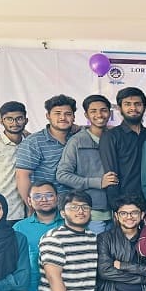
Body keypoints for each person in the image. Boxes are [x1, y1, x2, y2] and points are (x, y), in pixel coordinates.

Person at [57, 95, 113, 233]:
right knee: (95, 246)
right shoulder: (77, 141)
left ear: (109, 113)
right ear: (86, 115)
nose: (99, 115)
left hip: (116, 209)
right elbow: (62, 175)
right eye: (93, 111)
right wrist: (97, 182)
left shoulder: (116, 137)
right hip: (91, 211)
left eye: (103, 110)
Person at [15, 94, 78, 209]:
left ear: (73, 117)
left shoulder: (78, 138)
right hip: (46, 207)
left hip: (74, 206)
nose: (63, 117)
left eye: (68, 114)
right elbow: (22, 176)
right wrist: (32, 207)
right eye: (57, 113)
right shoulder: (34, 142)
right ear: (48, 116)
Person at [100, 87, 146, 211]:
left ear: (144, 107)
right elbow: (111, 177)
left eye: (137, 104)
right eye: (127, 104)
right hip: (125, 205)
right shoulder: (111, 136)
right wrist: (117, 208)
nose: (133, 108)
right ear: (120, 108)